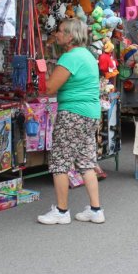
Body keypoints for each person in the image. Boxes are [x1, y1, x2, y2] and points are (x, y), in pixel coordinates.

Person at [37, 18, 104, 225]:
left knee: (59, 162)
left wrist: (41, 71)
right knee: (86, 161)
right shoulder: (88, 55)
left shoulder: (70, 57)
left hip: (73, 113)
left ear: (70, 36)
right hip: (90, 113)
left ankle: (61, 211)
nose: (56, 34)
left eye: (60, 31)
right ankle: (95, 209)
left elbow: (49, 88)